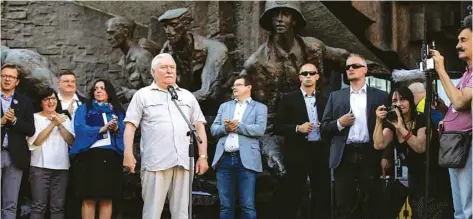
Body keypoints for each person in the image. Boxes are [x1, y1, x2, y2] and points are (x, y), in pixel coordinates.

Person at [123, 53, 209, 219]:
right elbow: (130, 126)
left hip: (183, 161)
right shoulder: (143, 95)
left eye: (172, 68)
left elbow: (199, 126)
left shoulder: (186, 96)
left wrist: (203, 156)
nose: (169, 71)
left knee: (182, 213)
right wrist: (128, 154)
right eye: (164, 67)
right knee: (152, 212)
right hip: (156, 162)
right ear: (153, 72)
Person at [320, 54, 388, 219]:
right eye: (348, 67)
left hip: (369, 152)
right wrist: (340, 123)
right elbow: (324, 127)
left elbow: (388, 127)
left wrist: (386, 156)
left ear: (365, 70)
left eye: (355, 66)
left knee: (371, 202)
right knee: (344, 204)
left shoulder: (380, 95)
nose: (350, 69)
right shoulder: (336, 96)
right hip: (344, 155)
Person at [373, 86, 453, 219]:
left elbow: (420, 147)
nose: (398, 103)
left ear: (410, 101)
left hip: (434, 177)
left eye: (403, 99)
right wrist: (378, 121)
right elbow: (378, 144)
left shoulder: (421, 119)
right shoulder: (392, 125)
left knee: (434, 214)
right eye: (394, 100)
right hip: (415, 179)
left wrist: (401, 128)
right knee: (418, 213)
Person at [430, 12, 472, 219]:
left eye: (463, 40)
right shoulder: (467, 74)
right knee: (460, 209)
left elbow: (461, 101)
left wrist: (441, 71)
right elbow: (457, 108)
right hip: (455, 147)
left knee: (468, 208)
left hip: (467, 145)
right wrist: (444, 111)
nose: (457, 45)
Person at [273, 63, 330, 219]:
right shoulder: (288, 99)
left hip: (320, 151)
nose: (308, 76)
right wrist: (298, 128)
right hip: (297, 152)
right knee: (292, 193)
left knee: (321, 194)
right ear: (299, 77)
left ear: (317, 76)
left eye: (312, 73)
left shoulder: (326, 100)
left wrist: (324, 127)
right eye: (304, 73)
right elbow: (277, 127)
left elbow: (331, 125)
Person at [210, 75, 268, 219]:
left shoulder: (260, 108)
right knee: (225, 205)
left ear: (248, 87)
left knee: (247, 204)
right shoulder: (225, 106)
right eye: (233, 85)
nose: (234, 87)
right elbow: (213, 129)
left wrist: (237, 127)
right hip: (224, 160)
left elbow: (259, 129)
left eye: (238, 85)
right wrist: (226, 128)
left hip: (246, 161)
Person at [69, 79, 125, 219]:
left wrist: (116, 128)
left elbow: (125, 133)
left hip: (111, 158)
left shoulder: (117, 111)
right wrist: (101, 129)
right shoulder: (84, 109)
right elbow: (80, 129)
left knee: (107, 199)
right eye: (96, 88)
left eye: (102, 88)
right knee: (89, 198)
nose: (98, 91)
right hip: (90, 157)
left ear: (109, 92)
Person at [158, 8, 231, 102]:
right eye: (165, 26)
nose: (168, 31)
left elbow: (206, 92)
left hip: (220, 104)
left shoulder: (215, 49)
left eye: (174, 25)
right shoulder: (167, 51)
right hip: (190, 104)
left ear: (187, 25)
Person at [27, 88, 75, 219]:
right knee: (38, 206)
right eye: (46, 99)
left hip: (61, 168)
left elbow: (71, 141)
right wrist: (52, 124)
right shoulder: (34, 117)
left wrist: (60, 125)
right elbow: (36, 141)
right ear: (41, 102)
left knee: (58, 207)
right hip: (39, 167)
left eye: (53, 98)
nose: (50, 101)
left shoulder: (64, 118)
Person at [1, 64, 35, 219]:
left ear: (17, 81)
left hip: (15, 156)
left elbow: (30, 130)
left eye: (11, 77)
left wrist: (14, 120)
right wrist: (2, 122)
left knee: (11, 202)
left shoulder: (25, 101)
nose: (7, 79)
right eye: (4, 76)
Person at [106, 16, 154, 102]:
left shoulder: (143, 57)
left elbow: (156, 92)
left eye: (112, 33)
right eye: (108, 33)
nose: (109, 37)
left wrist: (129, 94)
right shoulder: (123, 60)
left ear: (125, 32)